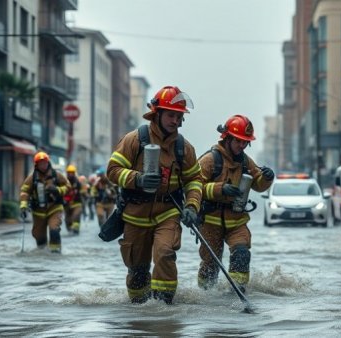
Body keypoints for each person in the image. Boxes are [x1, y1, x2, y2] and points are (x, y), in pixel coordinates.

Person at [106, 85, 203, 305]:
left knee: (165, 253)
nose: (175, 121)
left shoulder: (183, 148)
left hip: (168, 212)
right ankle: (140, 314)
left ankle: (164, 310)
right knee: (138, 270)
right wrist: (137, 179)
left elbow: (194, 180)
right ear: (156, 113)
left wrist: (191, 207)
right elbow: (112, 171)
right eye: (171, 115)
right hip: (135, 214)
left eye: (179, 116)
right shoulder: (134, 140)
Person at [196, 115, 274, 293]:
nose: (242, 146)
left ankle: (237, 292)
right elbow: (194, 187)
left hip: (236, 221)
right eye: (238, 141)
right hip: (211, 221)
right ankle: (206, 295)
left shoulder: (245, 161)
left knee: (242, 253)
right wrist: (220, 189)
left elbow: (258, 184)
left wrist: (267, 178)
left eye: (245, 142)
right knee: (210, 263)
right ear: (228, 138)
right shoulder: (209, 160)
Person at [19, 152, 70, 253]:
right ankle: (42, 251)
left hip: (54, 208)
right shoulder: (32, 178)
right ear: (36, 165)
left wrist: (57, 190)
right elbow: (24, 192)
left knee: (54, 230)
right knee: (39, 236)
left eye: (45, 163)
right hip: (38, 211)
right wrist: (23, 206)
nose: (43, 165)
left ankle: (55, 253)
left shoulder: (56, 175)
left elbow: (68, 186)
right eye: (41, 163)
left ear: (48, 162)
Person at [63, 165, 88, 234]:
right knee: (67, 219)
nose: (70, 174)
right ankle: (70, 228)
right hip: (67, 204)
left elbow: (84, 190)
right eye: (69, 173)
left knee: (76, 215)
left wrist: (84, 194)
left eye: (72, 173)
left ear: (74, 173)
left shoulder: (78, 182)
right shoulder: (64, 181)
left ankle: (76, 229)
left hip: (77, 203)